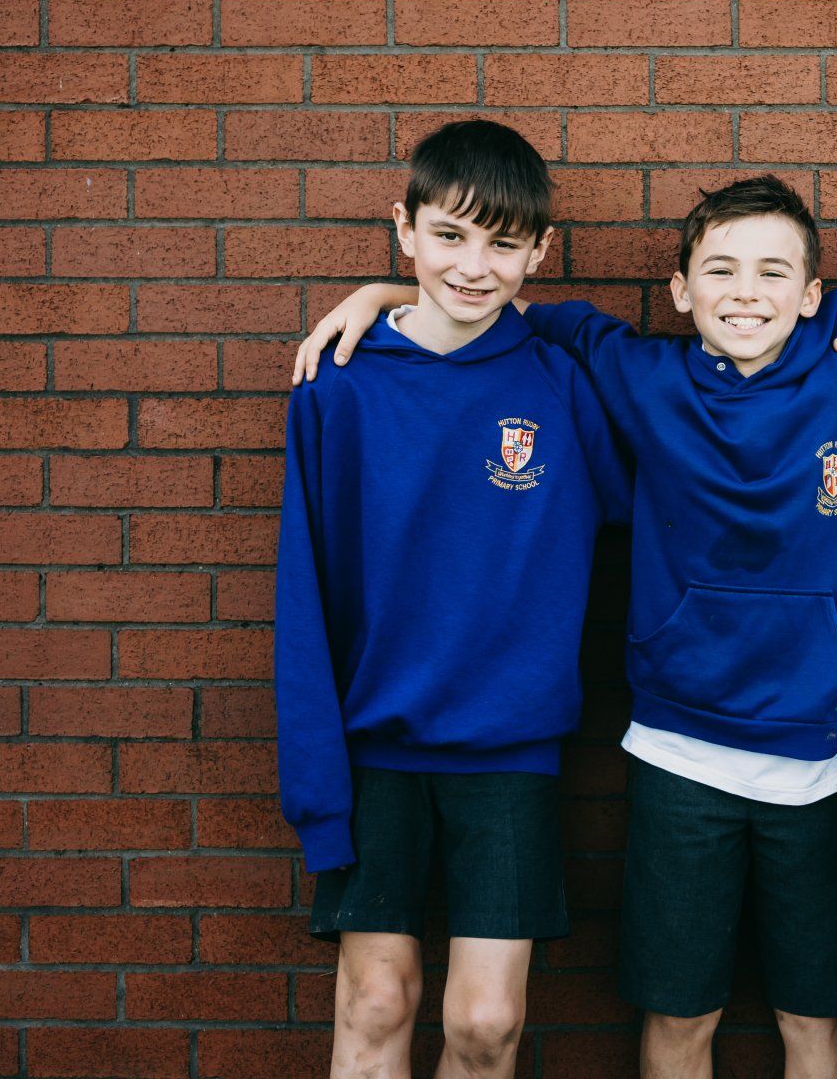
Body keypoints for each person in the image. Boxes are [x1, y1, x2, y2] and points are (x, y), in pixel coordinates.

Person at [294, 177, 837, 1079]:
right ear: (679, 289)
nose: (745, 292)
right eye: (721, 270)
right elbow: (497, 303)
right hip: (678, 750)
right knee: (678, 1020)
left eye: (773, 272)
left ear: (811, 296)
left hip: (820, 760)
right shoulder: (639, 373)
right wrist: (382, 293)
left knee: (815, 1023)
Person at [274, 119, 628, 1079]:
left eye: (503, 244)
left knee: (485, 1024)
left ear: (540, 252)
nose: (474, 266)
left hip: (509, 750)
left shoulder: (563, 385)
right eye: (449, 237)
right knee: (376, 1002)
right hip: (374, 750)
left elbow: (675, 492)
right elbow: (304, 599)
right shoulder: (337, 389)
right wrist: (318, 792)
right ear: (405, 227)